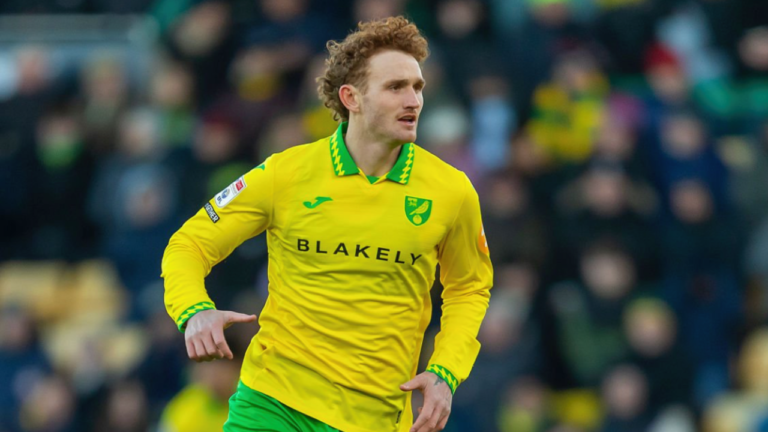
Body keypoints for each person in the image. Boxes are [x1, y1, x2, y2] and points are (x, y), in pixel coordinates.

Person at [161, 16, 493, 432]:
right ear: (351, 97)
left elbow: (469, 287)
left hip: (373, 416)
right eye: (396, 87)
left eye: (418, 87)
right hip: (272, 402)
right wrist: (194, 310)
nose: (413, 101)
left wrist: (446, 371)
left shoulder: (451, 190)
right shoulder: (287, 173)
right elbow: (189, 244)